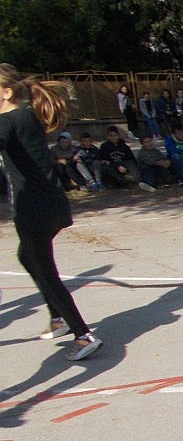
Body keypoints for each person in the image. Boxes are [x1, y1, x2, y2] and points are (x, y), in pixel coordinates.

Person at [0, 65, 103, 360]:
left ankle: (83, 335)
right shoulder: (26, 115)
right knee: (27, 257)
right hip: (52, 202)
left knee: (46, 273)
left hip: (33, 209)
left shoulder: (6, 121)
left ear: (6, 92)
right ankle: (58, 318)